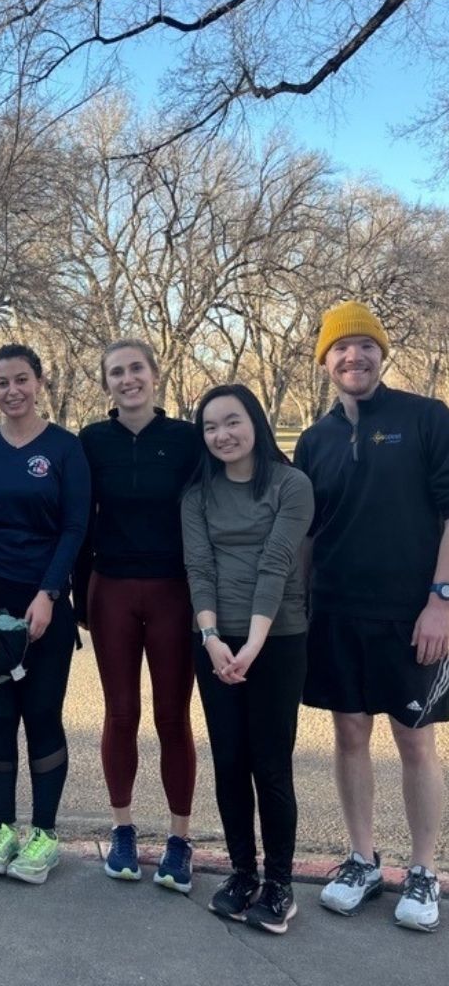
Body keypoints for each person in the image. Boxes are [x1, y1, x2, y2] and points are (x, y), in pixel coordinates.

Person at [295, 301, 449, 933]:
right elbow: (305, 535)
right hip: (335, 612)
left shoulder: (426, 417)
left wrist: (442, 600)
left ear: (382, 354)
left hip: (414, 616)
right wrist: (298, 611)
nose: (353, 357)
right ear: (324, 361)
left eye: (365, 346)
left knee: (415, 739)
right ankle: (361, 859)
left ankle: (422, 870)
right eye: (340, 348)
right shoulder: (314, 438)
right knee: (350, 734)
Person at [0, 343, 90, 885]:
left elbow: (75, 528)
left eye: (21, 380)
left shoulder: (65, 449)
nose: (12, 391)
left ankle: (44, 835)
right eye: (2, 383)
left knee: (42, 716)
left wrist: (49, 593)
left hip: (43, 606)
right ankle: (2, 829)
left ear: (39, 382)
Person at [182, 384, 314, 934]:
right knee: (230, 760)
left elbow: (277, 564)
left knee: (270, 763)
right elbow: (200, 569)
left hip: (277, 640)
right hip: (216, 642)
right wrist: (213, 639)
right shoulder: (198, 495)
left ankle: (280, 883)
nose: (222, 435)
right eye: (211, 427)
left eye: (231, 422)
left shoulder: (291, 485)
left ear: (255, 422)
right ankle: (242, 872)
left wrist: (252, 646)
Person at [74, 340, 200, 892]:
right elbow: (78, 520)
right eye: (117, 372)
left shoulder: (187, 440)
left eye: (136, 369)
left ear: (155, 373)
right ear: (106, 384)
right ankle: (123, 829)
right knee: (120, 713)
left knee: (173, 717)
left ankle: (179, 838)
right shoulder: (91, 441)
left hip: (175, 589)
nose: (128, 380)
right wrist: (80, 596)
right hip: (113, 589)